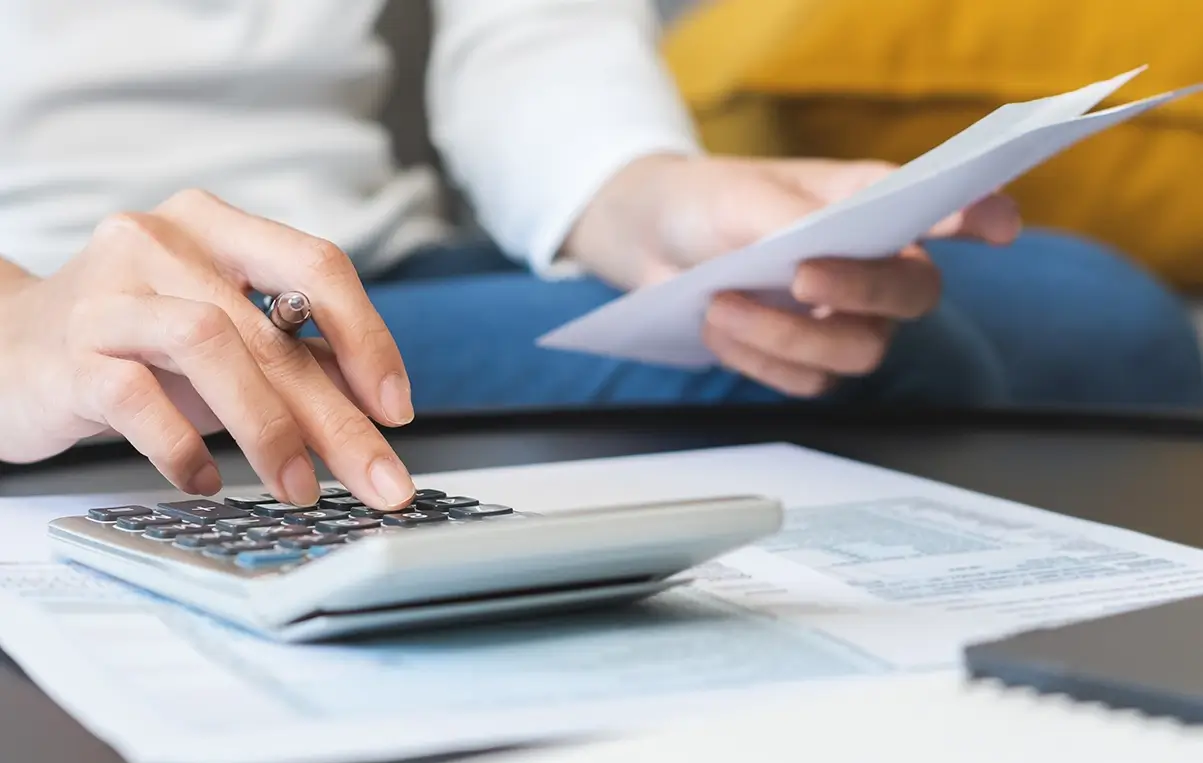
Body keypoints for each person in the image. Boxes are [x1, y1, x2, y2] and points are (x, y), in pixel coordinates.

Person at [0, 0, 1199, 510]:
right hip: (49, 282)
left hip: (360, 259)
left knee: (1099, 316)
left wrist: (642, 190)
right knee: (871, 364)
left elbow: (528, 35)